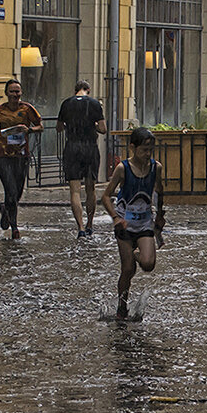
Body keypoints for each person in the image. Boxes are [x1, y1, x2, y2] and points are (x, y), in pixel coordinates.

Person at [101, 127, 166, 320]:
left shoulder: (156, 167)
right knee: (128, 269)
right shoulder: (123, 169)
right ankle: (122, 306)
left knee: (148, 264)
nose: (148, 154)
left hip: (145, 222)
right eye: (144, 149)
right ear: (132, 148)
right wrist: (115, 218)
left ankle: (139, 253)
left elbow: (160, 191)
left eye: (150, 150)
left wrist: (160, 214)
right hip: (124, 224)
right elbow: (105, 196)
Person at [0, 78, 43, 239]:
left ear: (21, 93)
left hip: (21, 155)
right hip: (2, 155)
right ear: (6, 93)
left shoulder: (27, 109)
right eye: (12, 91)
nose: (15, 94)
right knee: (10, 189)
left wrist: (29, 130)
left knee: (18, 191)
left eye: (17, 91)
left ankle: (5, 210)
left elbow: (40, 126)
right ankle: (14, 228)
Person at [56, 80, 107, 238]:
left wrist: (69, 125)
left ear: (75, 90)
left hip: (72, 147)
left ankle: (80, 227)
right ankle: (90, 223)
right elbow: (103, 129)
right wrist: (93, 125)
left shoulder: (66, 104)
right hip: (89, 148)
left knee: (75, 191)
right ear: (88, 90)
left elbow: (59, 128)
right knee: (90, 188)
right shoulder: (94, 104)